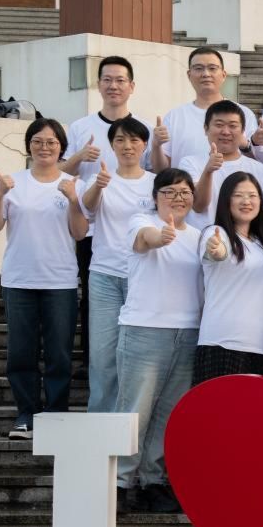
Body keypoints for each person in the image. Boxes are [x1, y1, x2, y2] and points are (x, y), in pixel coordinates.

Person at [0, 118, 87, 439]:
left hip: (60, 281)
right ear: (28, 146)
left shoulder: (74, 184)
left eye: (52, 142)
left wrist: (73, 199)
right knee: (21, 352)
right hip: (19, 279)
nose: (44, 147)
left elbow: (80, 232)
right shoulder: (11, 182)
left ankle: (55, 415)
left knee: (59, 354)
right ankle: (26, 414)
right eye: (38, 141)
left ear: (61, 147)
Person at [114, 168, 202, 513]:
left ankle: (153, 480)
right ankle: (119, 482)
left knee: (169, 412)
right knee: (135, 410)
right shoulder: (142, 221)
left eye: (184, 192)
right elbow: (143, 240)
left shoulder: (199, 236)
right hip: (144, 329)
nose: (178, 198)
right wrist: (161, 237)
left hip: (187, 331)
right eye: (170, 191)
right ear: (155, 197)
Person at [62, 56, 143, 374]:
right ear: (98, 85)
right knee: (93, 297)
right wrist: (80, 156)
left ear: (131, 86)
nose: (114, 85)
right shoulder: (80, 127)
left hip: (134, 231)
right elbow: (61, 174)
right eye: (107, 79)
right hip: (92, 228)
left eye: (120, 80)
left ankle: (129, 364)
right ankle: (92, 361)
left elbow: (155, 175)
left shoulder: (145, 129)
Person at [78, 117, 156, 414]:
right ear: (112, 145)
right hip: (105, 276)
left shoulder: (155, 183)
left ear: (144, 145)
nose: (127, 146)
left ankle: (133, 419)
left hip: (144, 277)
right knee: (102, 355)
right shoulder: (100, 178)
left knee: (139, 354)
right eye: (120, 140)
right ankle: (100, 419)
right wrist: (99, 186)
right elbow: (86, 208)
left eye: (134, 140)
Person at [195, 173, 263, 384]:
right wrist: (217, 250)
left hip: (256, 345)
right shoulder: (216, 233)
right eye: (238, 195)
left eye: (252, 195)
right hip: (221, 342)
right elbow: (218, 252)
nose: (246, 201)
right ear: (226, 200)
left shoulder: (261, 244)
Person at [152, 46, 258, 172]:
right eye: (198, 68)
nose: (206, 74)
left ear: (223, 75)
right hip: (187, 184)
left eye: (212, 68)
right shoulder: (174, 116)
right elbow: (161, 170)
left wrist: (247, 146)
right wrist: (156, 145)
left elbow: (256, 162)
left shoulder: (243, 113)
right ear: (189, 75)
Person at [187, 101, 263, 232]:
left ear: (243, 131)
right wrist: (208, 171)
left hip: (243, 242)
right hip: (201, 240)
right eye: (219, 125)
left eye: (233, 126)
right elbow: (198, 206)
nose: (226, 132)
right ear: (206, 128)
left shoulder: (259, 170)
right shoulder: (190, 163)